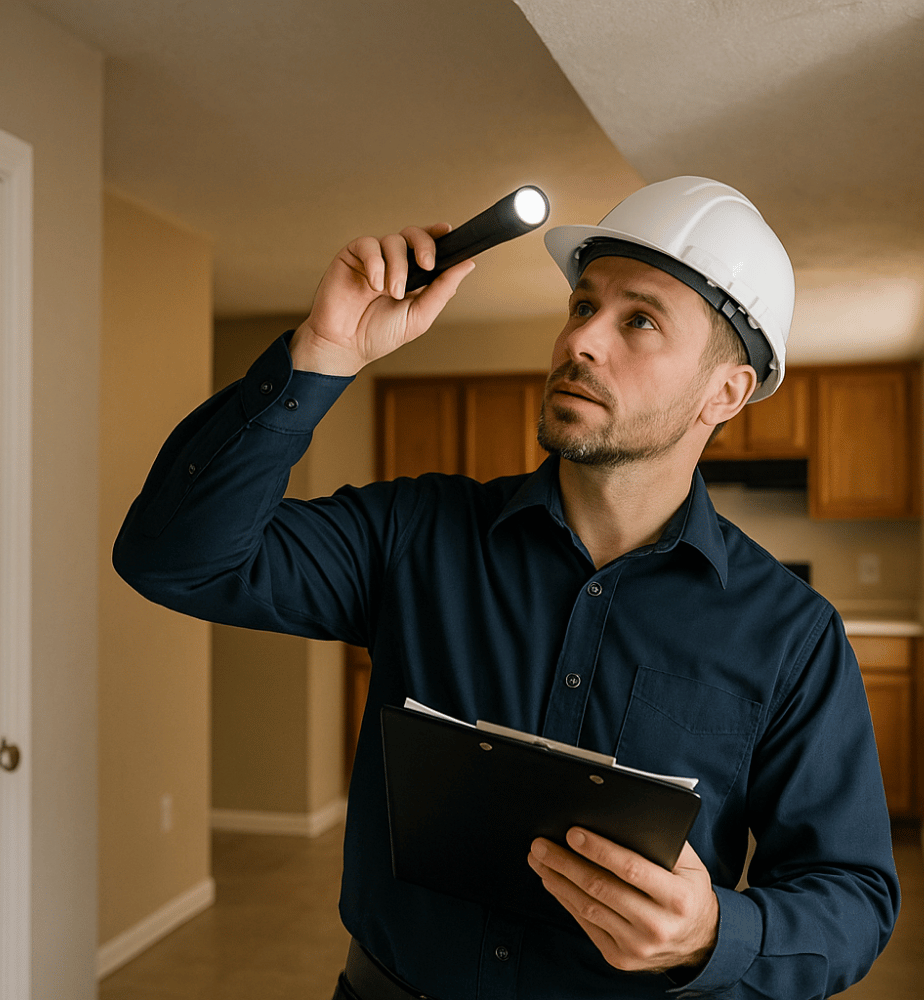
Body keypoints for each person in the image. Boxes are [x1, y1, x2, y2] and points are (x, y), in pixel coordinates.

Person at [113, 176, 900, 1000]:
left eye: (639, 320)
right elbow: (173, 558)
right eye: (582, 306)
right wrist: (322, 350)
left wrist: (711, 933)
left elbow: (852, 895)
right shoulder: (416, 532)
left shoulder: (792, 634)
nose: (581, 339)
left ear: (725, 392)